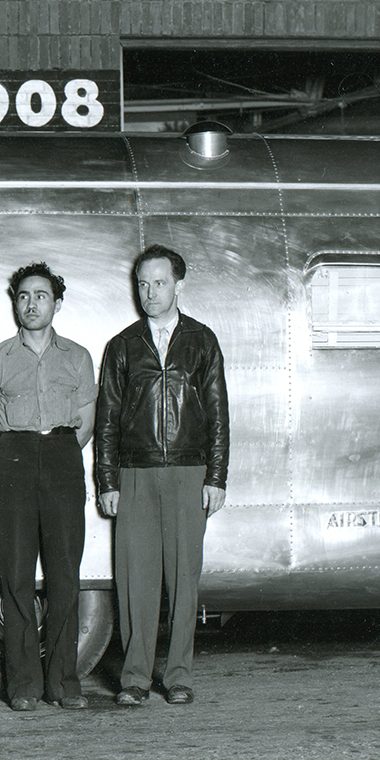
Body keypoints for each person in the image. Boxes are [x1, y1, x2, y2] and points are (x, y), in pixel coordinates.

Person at [94, 244, 228, 707]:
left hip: (189, 473)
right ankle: (134, 678)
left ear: (178, 285)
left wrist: (217, 476)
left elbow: (217, 413)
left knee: (184, 579)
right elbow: (107, 419)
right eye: (143, 284)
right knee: (136, 580)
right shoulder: (123, 345)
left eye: (159, 283)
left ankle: (179, 676)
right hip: (135, 473)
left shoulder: (202, 341)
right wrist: (107, 481)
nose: (150, 293)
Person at [0, 262, 98, 712]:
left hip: (63, 456)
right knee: (16, 573)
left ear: (57, 303)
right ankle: (23, 684)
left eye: (41, 295)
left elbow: (86, 423)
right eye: (24, 296)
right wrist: (13, 458)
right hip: (13, 460)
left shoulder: (78, 357)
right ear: (15, 302)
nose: (31, 303)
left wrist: (57, 450)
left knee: (65, 574)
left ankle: (64, 682)